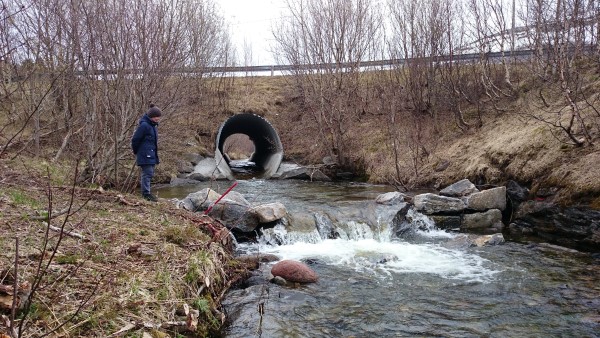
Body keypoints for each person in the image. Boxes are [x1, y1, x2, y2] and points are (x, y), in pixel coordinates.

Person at [131, 104, 162, 202]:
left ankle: (147, 193)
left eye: (159, 117)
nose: (158, 118)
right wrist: (136, 151)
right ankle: (146, 194)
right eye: (156, 116)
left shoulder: (153, 126)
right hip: (145, 154)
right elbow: (135, 139)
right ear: (151, 116)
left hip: (151, 154)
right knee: (147, 173)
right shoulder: (144, 125)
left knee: (150, 173)